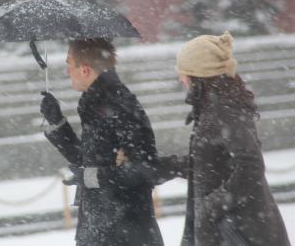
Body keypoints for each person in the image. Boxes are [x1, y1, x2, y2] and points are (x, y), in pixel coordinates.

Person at [40, 38, 164, 246]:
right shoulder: (95, 102)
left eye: (69, 65)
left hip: (124, 231)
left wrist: (92, 176)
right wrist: (57, 123)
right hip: (101, 226)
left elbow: (145, 169)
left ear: (85, 70)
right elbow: (86, 158)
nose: (67, 72)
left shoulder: (118, 103)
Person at [173, 31, 290, 245]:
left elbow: (251, 165)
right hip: (227, 228)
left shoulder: (224, 109)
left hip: (238, 231)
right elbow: (210, 164)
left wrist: (211, 207)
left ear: (196, 75)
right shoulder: (211, 107)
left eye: (181, 72)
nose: (180, 78)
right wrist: (163, 165)